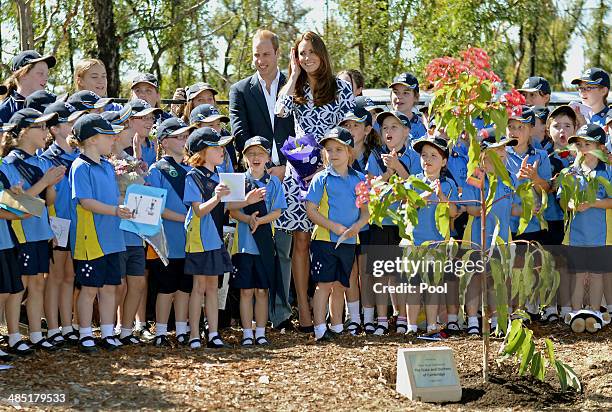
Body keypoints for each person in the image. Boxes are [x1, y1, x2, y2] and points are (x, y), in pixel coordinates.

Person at [275, 31, 355, 332]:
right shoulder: (295, 86)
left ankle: (336, 314)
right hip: (300, 171)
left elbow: (350, 126)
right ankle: (305, 310)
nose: (307, 58)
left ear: (321, 53)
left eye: (311, 52)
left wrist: (334, 156)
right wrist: (293, 75)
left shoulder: (340, 86)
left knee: (333, 238)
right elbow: (280, 111)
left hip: (333, 169)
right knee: (301, 240)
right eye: (301, 53)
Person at [229, 29, 295, 330]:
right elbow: (239, 131)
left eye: (266, 54)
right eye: (256, 54)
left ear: (277, 54)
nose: (260, 60)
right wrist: (264, 166)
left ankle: (280, 314)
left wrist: (288, 165)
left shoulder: (293, 86)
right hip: (256, 176)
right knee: (255, 247)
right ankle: (254, 322)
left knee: (285, 248)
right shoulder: (241, 90)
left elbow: (300, 128)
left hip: (292, 175)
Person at [0, 108, 66, 352]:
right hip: (21, 232)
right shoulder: (8, 164)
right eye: (39, 127)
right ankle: (14, 335)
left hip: (40, 231)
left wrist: (52, 185)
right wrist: (44, 182)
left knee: (38, 283)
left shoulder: (41, 162)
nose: (45, 132)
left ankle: (37, 334)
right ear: (23, 132)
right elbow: (14, 203)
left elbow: (47, 202)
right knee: (20, 286)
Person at [68, 114, 130, 352]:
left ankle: (107, 332)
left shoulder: (106, 165)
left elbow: (113, 198)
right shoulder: (80, 166)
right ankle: (85, 334)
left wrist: (131, 203)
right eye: (107, 135)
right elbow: (85, 201)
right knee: (90, 288)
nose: (112, 139)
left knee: (109, 288)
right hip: (90, 239)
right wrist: (116, 210)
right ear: (92, 139)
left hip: (112, 238)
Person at [305, 127, 369, 341]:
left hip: (349, 241)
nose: (333, 154)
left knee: (341, 285)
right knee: (324, 285)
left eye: (339, 149)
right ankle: (320, 330)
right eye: (329, 150)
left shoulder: (359, 178)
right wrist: (333, 226)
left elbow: (366, 213)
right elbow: (310, 210)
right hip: (324, 240)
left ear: (350, 152)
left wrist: (356, 227)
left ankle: (338, 327)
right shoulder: (320, 179)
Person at [365, 110, 421, 335]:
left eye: (394, 127)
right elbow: (370, 187)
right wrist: (388, 173)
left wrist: (399, 167)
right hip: (381, 222)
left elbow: (418, 190)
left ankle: (403, 318)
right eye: (385, 127)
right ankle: (381, 319)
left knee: (402, 274)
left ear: (407, 131)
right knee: (382, 272)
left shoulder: (416, 156)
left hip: (405, 224)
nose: (388, 131)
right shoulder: (375, 155)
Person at [227, 136, 287, 346]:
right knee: (245, 290)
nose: (255, 157)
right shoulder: (238, 180)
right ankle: (246, 332)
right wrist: (248, 219)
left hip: (264, 245)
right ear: (244, 158)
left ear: (268, 157)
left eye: (260, 153)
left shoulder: (273, 182)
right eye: (251, 153)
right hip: (243, 245)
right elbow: (232, 210)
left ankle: (260, 331)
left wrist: (260, 220)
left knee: (262, 290)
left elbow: (278, 210)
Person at [462, 136, 522, 335]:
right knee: (475, 278)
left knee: (500, 279)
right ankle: (472, 318)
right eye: (497, 154)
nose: (502, 158)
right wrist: (483, 208)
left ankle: (497, 319)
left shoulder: (510, 178)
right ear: (483, 158)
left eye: (504, 154)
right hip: (477, 239)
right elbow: (469, 208)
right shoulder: (476, 176)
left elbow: (514, 207)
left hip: (502, 238)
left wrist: (530, 208)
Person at [183, 127, 234, 349]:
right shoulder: (192, 176)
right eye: (216, 147)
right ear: (202, 152)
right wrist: (216, 197)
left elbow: (225, 208)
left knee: (213, 286)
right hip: (200, 239)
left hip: (215, 238)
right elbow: (198, 210)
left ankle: (213, 333)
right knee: (199, 286)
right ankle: (194, 334)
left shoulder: (219, 176)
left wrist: (248, 199)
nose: (222, 150)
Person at [146, 117, 195, 347]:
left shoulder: (191, 169)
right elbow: (157, 208)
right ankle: (161, 332)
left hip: (189, 240)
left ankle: (183, 329)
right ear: (164, 142)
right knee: (166, 288)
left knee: (185, 287)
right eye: (179, 136)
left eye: (185, 136)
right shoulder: (157, 170)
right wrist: (186, 218)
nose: (184, 139)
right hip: (167, 240)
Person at [560, 124, 612, 332]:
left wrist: (592, 203)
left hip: (599, 232)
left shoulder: (607, 171)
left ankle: (594, 312)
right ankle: (576, 312)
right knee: (578, 273)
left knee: (597, 273)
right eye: (579, 145)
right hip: (576, 233)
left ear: (600, 146)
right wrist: (570, 204)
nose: (582, 148)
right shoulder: (571, 172)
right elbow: (563, 200)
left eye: (587, 144)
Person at [41, 101, 81, 346]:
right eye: (68, 121)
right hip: (57, 223)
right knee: (54, 277)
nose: (73, 125)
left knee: (69, 276)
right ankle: (52, 327)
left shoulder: (78, 156)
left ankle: (67, 326)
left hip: (77, 225)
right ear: (54, 129)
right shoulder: (48, 158)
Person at [410, 136, 459, 335]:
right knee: (413, 286)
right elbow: (407, 206)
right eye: (423, 155)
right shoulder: (413, 182)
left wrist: (440, 196)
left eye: (433, 155)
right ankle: (411, 326)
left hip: (438, 244)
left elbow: (454, 212)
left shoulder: (448, 185)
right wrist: (423, 197)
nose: (427, 159)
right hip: (415, 241)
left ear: (444, 161)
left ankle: (432, 325)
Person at [339, 106, 380, 334]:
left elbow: (381, 182)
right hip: (344, 222)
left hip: (367, 222)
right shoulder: (338, 153)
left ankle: (369, 317)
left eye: (356, 125)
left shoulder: (374, 155)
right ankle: (353, 318)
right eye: (347, 125)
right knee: (349, 270)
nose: (351, 129)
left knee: (366, 271)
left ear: (367, 129)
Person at [0, 175, 30, 360]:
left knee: (13, 290)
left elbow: (28, 210)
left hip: (6, 242)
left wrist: (19, 195)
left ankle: (14, 338)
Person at [0, 50, 56, 122]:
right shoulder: (5, 110)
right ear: (22, 74)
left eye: (47, 74)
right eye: (40, 73)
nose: (46, 79)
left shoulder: (51, 105)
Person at [389, 73, 427, 142]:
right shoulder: (379, 124)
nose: (399, 96)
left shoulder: (424, 126)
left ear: (416, 97)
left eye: (405, 93)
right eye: (396, 92)